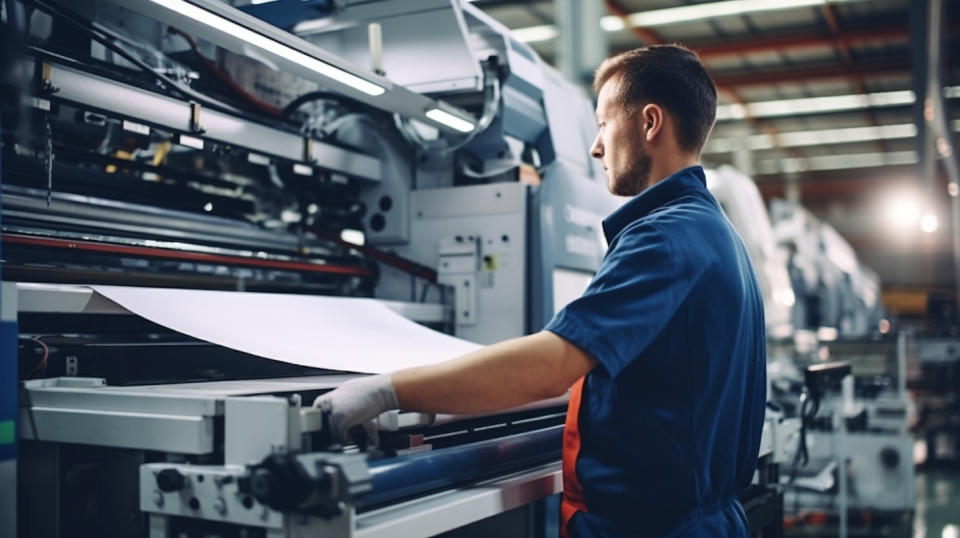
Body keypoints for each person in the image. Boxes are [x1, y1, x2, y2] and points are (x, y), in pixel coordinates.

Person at [315, 44, 767, 537]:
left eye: (603, 124)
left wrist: (387, 390)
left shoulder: (663, 237)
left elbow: (552, 366)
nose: (596, 147)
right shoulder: (718, 234)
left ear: (650, 122)